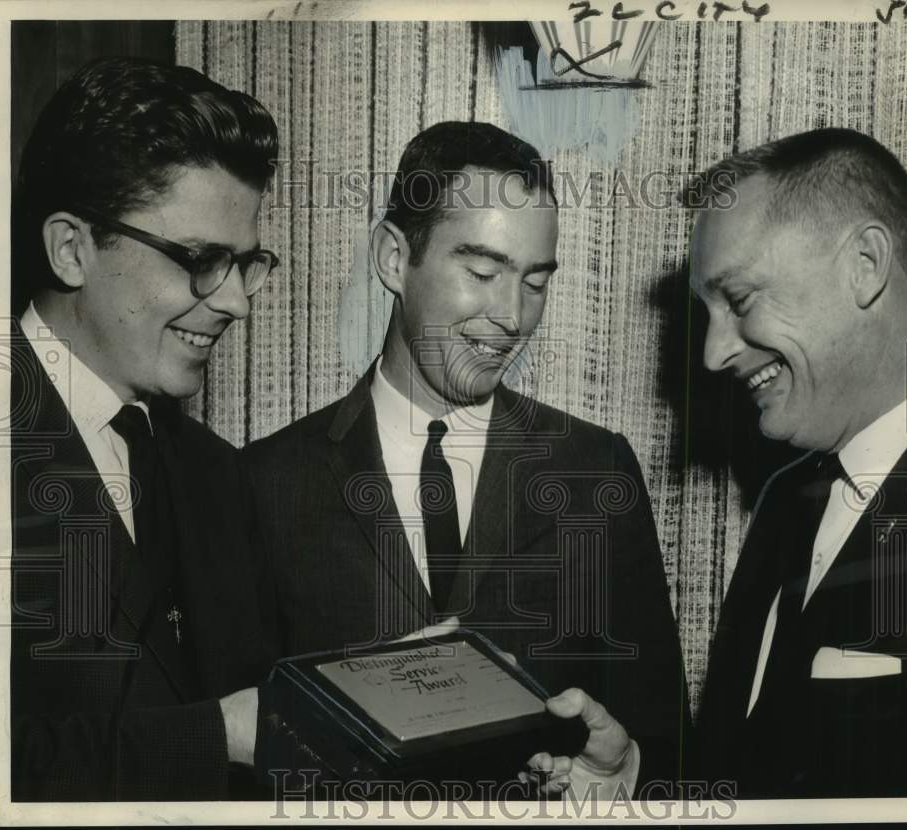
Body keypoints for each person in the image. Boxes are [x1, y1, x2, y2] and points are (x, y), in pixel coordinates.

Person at [242, 121, 689, 799]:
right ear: (395, 259)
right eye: (481, 271)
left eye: (535, 281)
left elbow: (664, 743)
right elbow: (239, 755)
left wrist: (622, 775)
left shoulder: (596, 472)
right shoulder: (264, 482)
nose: (511, 315)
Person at [10, 57, 281, 800]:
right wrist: (213, 738)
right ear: (72, 249)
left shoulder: (217, 473)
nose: (236, 304)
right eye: (200, 260)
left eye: (247, 265)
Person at [687, 128, 907, 797]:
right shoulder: (788, 498)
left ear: (866, 264)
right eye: (707, 312)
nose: (712, 353)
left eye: (741, 300)